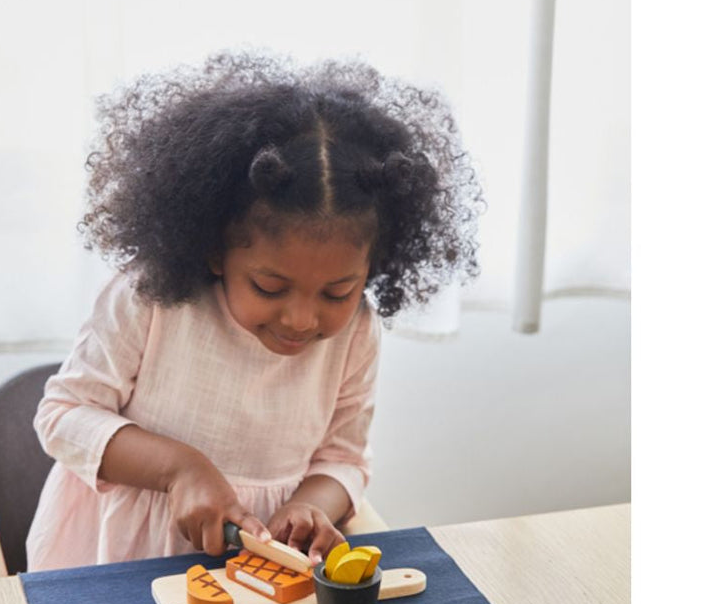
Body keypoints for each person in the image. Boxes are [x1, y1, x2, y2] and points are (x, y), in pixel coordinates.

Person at [26, 51, 483, 570]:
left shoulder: (355, 331)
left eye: (336, 292)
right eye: (269, 286)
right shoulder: (149, 299)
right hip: (120, 562)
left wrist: (312, 505)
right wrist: (180, 470)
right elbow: (62, 417)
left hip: (265, 568)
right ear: (216, 249)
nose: (301, 320)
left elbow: (344, 459)